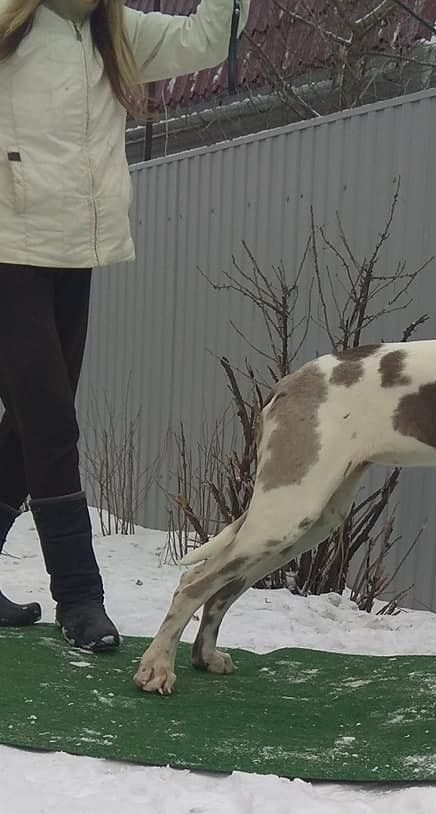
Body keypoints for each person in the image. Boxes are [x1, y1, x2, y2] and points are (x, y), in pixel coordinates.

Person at [0, 0, 250, 650]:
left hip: (73, 252)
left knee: (28, 427)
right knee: (52, 427)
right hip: (6, 252)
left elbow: (209, 37)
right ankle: (79, 596)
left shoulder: (116, 29)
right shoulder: (8, 23)